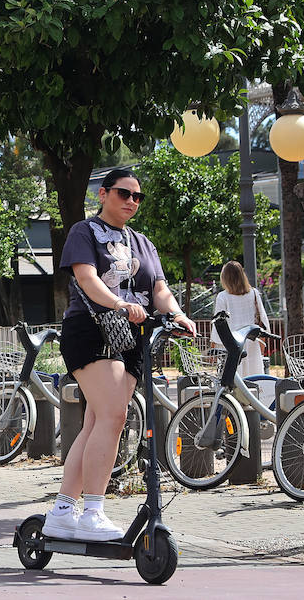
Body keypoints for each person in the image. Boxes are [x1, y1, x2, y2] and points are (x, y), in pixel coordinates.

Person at [42, 168, 196, 542]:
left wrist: (176, 313)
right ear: (103, 194)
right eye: (123, 194)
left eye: (137, 197)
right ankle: (92, 510)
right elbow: (86, 278)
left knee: (98, 422)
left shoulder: (143, 243)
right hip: (91, 330)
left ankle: (63, 510)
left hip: (131, 338)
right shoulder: (84, 231)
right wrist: (119, 303)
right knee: (114, 415)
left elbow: (159, 288)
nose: (131, 201)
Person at [214, 261, 272, 379]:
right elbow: (263, 320)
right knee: (254, 379)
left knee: (232, 381)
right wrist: (262, 344)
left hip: (230, 344)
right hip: (252, 342)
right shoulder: (254, 293)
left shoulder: (222, 297)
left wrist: (214, 346)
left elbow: (218, 324)